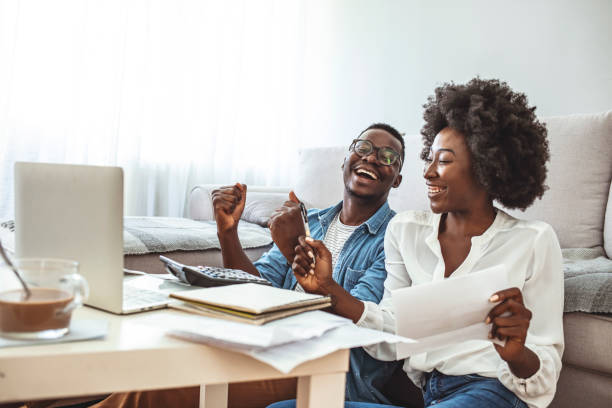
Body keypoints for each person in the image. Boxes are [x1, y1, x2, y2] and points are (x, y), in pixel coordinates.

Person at [274, 78, 563, 408]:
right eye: (430, 158)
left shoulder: (534, 240)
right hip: (431, 396)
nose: (428, 173)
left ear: (485, 167)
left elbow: (544, 376)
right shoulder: (406, 231)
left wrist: (516, 354)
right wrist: (327, 288)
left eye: (444, 160)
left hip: (495, 390)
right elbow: (390, 338)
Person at [87, 123, 411, 408]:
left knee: (166, 392)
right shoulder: (311, 220)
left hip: (321, 369)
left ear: (396, 179)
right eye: (363, 148)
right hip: (266, 346)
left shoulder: (394, 238)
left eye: (387, 157)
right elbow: (254, 288)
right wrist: (228, 233)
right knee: (156, 360)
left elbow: (353, 327)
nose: (371, 158)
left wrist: (294, 251)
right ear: (345, 159)